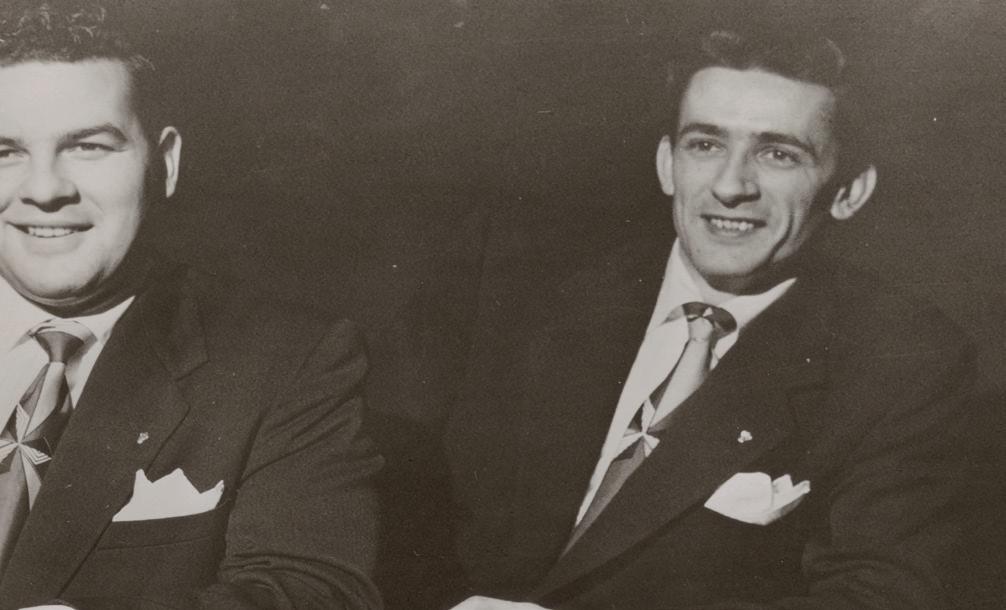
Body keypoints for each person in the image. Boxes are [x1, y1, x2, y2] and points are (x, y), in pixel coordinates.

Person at [368, 28, 989, 609]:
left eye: (778, 154)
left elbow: (878, 596)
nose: (730, 186)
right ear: (668, 164)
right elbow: (371, 498)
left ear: (849, 191)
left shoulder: (906, 364)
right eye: (706, 145)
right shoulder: (511, 278)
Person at [0, 3, 381, 609]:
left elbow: (315, 592)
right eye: (5, 152)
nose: (44, 189)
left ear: (166, 162)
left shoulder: (289, 360)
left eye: (89, 146)